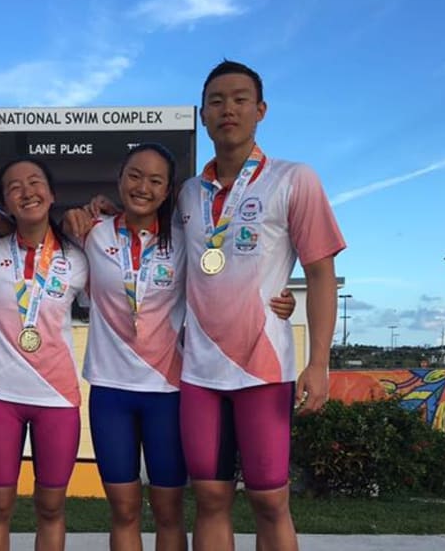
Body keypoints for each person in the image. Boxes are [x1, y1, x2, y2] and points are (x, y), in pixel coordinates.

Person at [63, 143, 295, 551]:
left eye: (155, 180)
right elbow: (35, 235)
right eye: (134, 175)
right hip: (109, 390)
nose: (143, 187)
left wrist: (279, 299)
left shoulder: (186, 239)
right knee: (123, 510)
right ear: (119, 180)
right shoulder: (92, 233)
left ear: (168, 190)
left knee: (170, 512)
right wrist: (72, 216)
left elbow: (228, 278)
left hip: (168, 393)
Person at [176, 60, 346, 551]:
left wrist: (318, 362)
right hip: (200, 374)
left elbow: (320, 274)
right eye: (216, 101)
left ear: (261, 110)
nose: (228, 109)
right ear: (203, 115)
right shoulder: (188, 193)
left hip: (264, 372)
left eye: (240, 99)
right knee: (209, 497)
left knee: (271, 501)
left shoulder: (295, 179)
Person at [0, 157, 89, 551]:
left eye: (36, 182)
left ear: (52, 193)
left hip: (57, 401)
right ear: (4, 202)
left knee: (52, 508)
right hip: (1, 398)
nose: (27, 192)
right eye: (14, 186)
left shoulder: (78, 258)